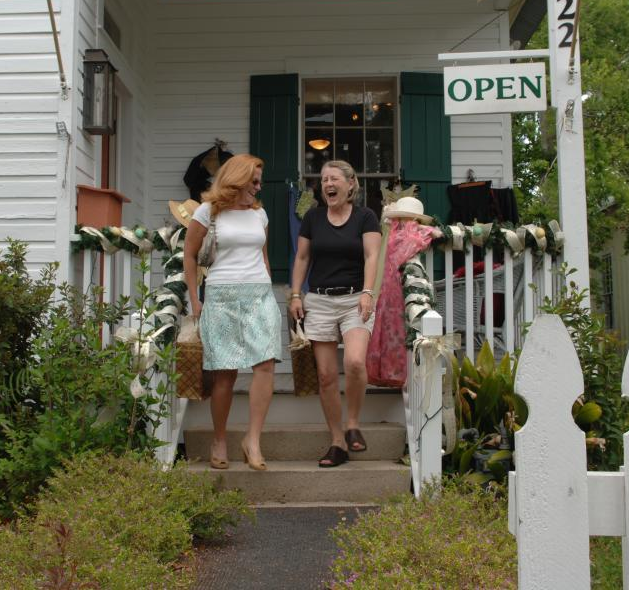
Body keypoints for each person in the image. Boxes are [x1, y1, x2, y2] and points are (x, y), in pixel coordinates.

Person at [183, 154, 281, 471]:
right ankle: (220, 439)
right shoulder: (207, 212)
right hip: (221, 296)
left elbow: (262, 256)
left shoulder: (260, 215)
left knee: (265, 364)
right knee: (224, 373)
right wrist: (195, 301)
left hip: (259, 296)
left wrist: (267, 284)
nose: (258, 186)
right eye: (254, 180)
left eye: (259, 181)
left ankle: (252, 440)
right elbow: (189, 256)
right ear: (237, 178)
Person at [289, 160, 382, 467]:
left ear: (350, 184)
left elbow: (372, 256)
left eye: (334, 179)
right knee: (327, 376)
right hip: (319, 300)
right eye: (323, 179)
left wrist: (368, 292)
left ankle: (353, 422)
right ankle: (337, 441)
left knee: (354, 362)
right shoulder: (313, 218)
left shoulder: (366, 217)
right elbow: (302, 257)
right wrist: (294, 294)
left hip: (356, 298)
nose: (327, 183)